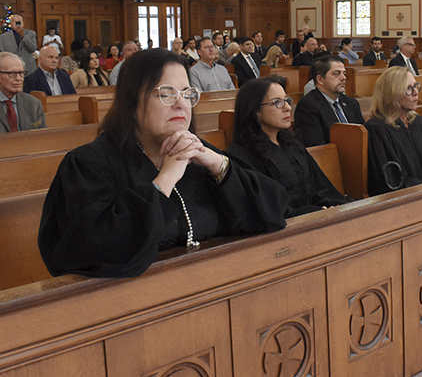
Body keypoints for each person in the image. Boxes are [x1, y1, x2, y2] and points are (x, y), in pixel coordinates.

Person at [38, 49, 289, 278]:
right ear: (133, 102)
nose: (181, 103)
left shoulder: (200, 155)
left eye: (187, 94)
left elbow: (274, 211)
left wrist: (218, 164)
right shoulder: (87, 164)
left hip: (214, 287)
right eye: (167, 94)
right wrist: (166, 179)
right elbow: (99, 249)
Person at [228, 75, 349, 215]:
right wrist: (315, 212)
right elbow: (268, 211)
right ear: (255, 111)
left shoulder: (293, 145)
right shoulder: (242, 157)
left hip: (315, 220)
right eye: (277, 102)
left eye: (287, 100)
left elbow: (322, 190)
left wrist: (335, 207)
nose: (287, 108)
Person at [366, 67, 422, 196]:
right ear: (391, 93)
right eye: (408, 88)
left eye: (416, 86)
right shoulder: (377, 129)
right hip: (407, 202)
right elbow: (392, 179)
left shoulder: (420, 123)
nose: (415, 93)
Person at [293, 56, 365, 146]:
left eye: (344, 73)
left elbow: (364, 136)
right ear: (320, 79)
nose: (343, 78)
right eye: (336, 74)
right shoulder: (308, 106)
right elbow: (318, 147)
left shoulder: (351, 102)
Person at [0, 52, 45, 132]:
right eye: (12, 73)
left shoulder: (34, 104)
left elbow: (42, 138)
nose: (18, 78)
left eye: (21, 73)